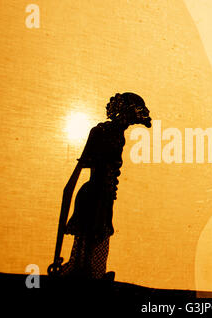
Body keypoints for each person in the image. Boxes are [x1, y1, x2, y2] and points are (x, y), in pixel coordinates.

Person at [59, 92, 152, 279]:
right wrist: (69, 189)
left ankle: (93, 273)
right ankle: (81, 272)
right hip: (92, 194)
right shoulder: (100, 132)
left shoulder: (120, 136)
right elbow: (81, 166)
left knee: (99, 235)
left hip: (106, 195)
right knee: (88, 234)